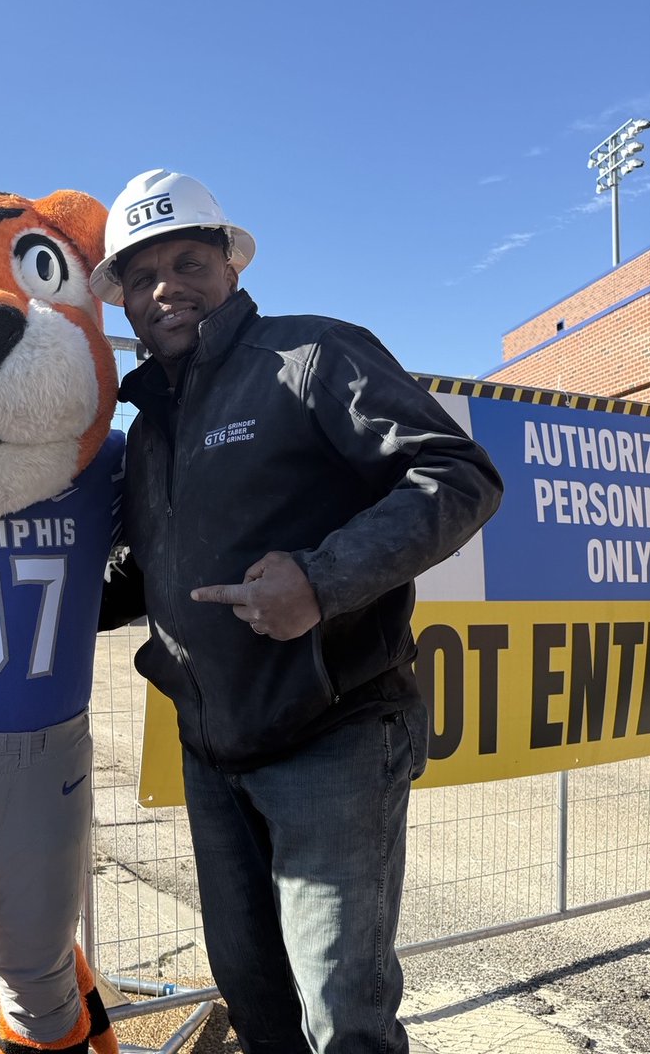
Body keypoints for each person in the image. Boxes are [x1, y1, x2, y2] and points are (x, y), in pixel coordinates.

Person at [92, 169, 503, 1054]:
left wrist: (319, 580)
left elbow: (458, 475)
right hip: (211, 749)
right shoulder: (147, 427)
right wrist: (32, 598)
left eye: (189, 260)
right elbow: (142, 574)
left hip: (334, 733)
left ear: (230, 268)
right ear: (119, 300)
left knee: (339, 1014)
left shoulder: (309, 356)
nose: (167, 285)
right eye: (141, 274)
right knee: (255, 997)